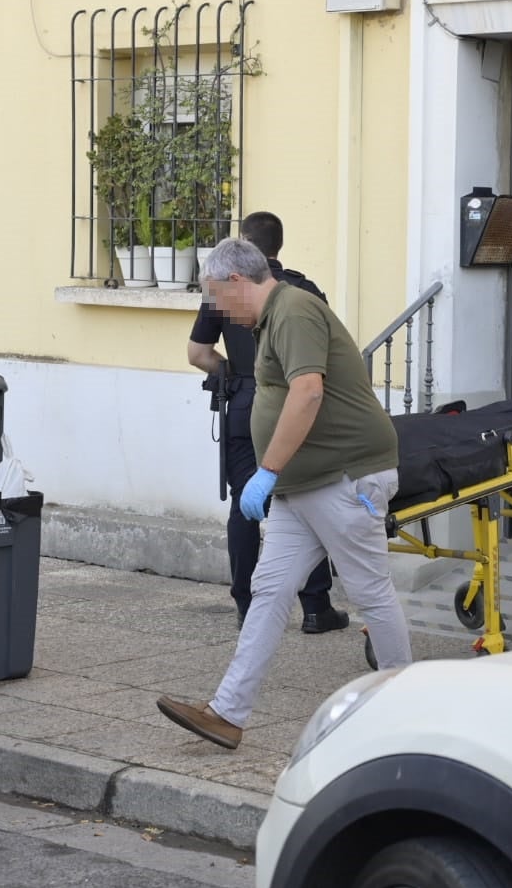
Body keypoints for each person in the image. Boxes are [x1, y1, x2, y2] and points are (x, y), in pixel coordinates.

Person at [157, 238, 411, 749]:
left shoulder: (293, 310)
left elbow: (309, 390)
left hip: (344, 478)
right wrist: (278, 474)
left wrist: (267, 470)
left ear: (237, 282)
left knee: (369, 592)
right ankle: (227, 713)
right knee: (269, 592)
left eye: (215, 298)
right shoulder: (272, 317)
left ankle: (407, 708)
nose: (216, 311)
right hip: (304, 483)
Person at [187, 211, 346, 635]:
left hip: (244, 402)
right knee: (303, 502)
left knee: (245, 505)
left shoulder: (223, 289)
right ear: (278, 245)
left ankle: (246, 604)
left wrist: (235, 374)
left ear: (243, 245)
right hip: (295, 406)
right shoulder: (304, 289)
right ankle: (316, 608)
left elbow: (197, 353)